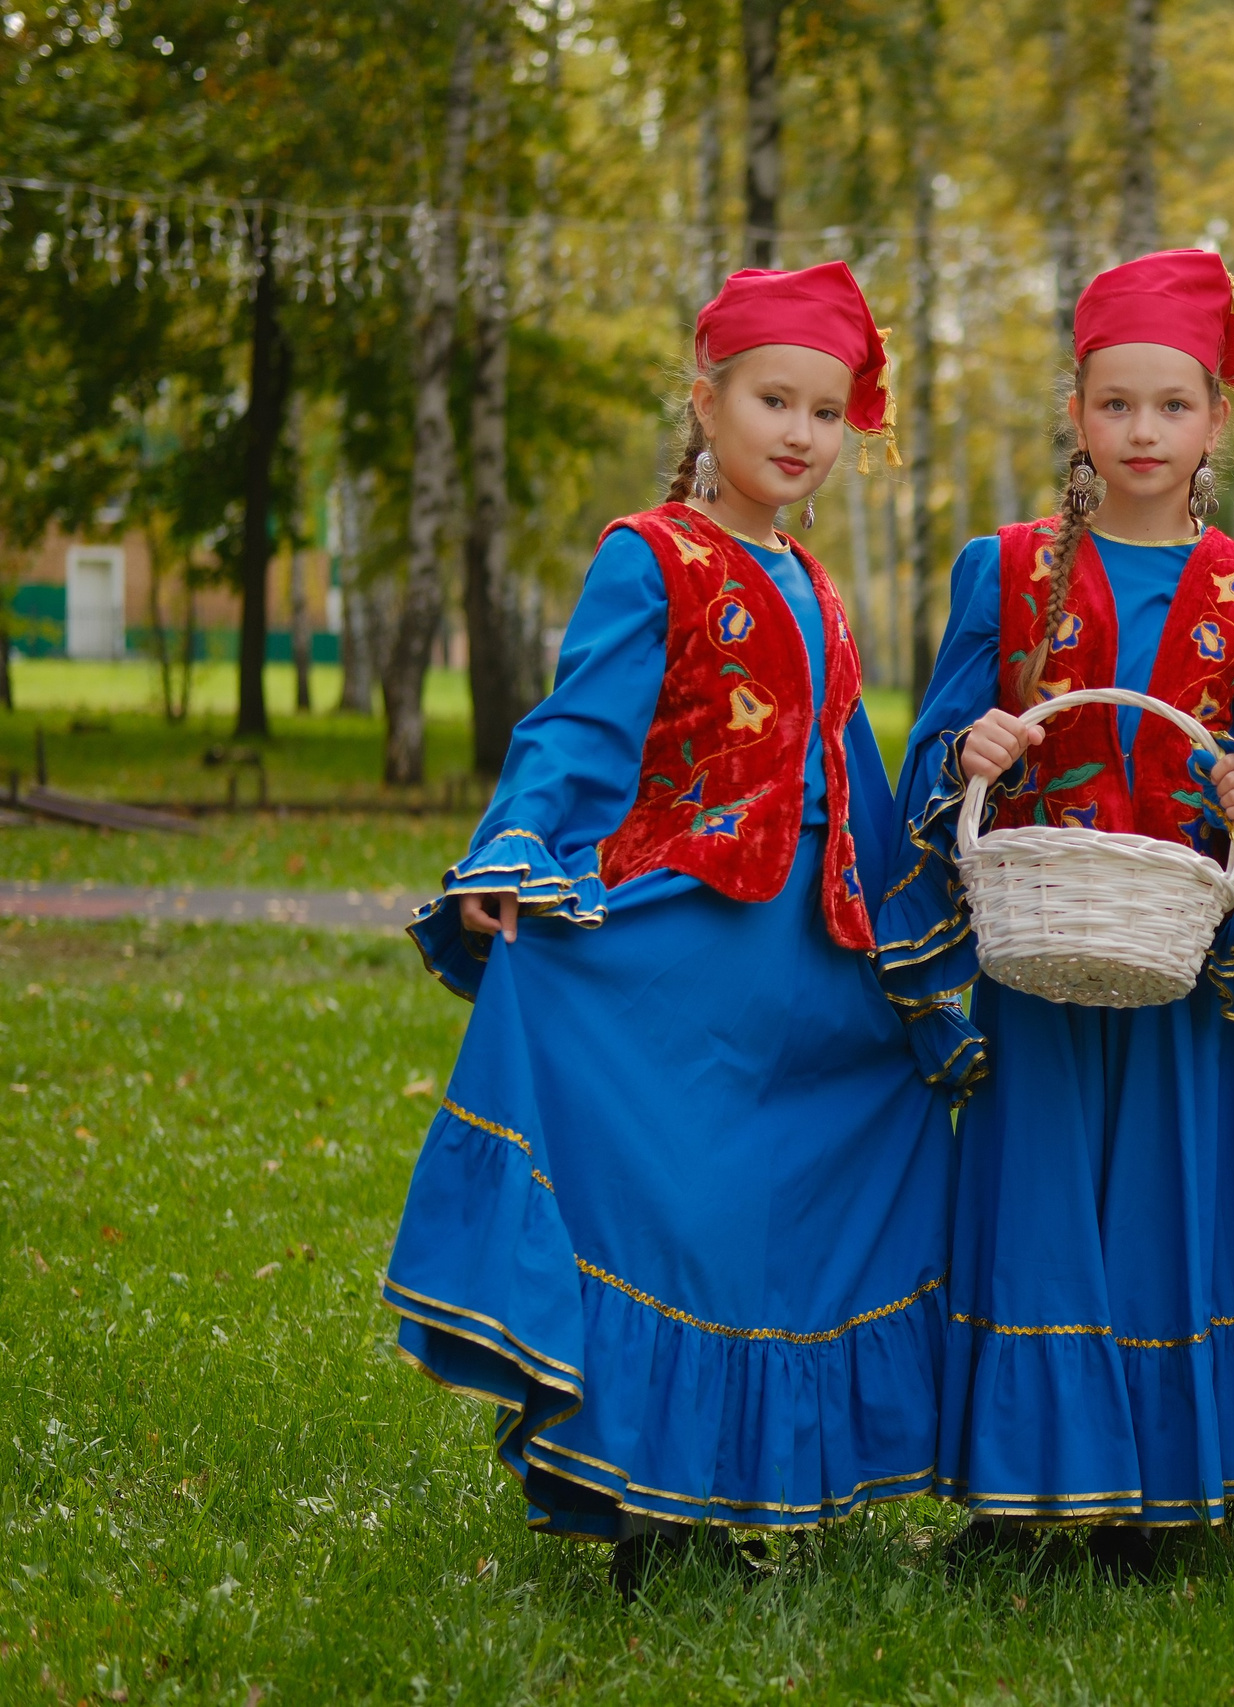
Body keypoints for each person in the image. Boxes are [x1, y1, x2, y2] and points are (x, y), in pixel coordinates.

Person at [384, 263, 979, 1602]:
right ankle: (644, 1503)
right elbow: (581, 724)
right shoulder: (648, 554)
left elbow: (850, 772)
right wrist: (521, 844)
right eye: (774, 400)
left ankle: (754, 1489)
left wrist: (911, 925)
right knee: (684, 1213)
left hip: (811, 962)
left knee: (795, 1208)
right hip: (686, 954)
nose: (800, 433)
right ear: (705, 401)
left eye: (825, 412)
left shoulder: (815, 583)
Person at [878, 249, 1234, 1579]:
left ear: (1216, 421)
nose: (1142, 431)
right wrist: (970, 749)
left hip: (1175, 942)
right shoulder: (1007, 568)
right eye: (1115, 403)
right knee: (1040, 1191)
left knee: (1174, 1191)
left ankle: (1162, 1487)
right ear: (1075, 414)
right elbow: (934, 743)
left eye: (1172, 406)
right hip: (1041, 938)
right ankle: (1021, 1486)